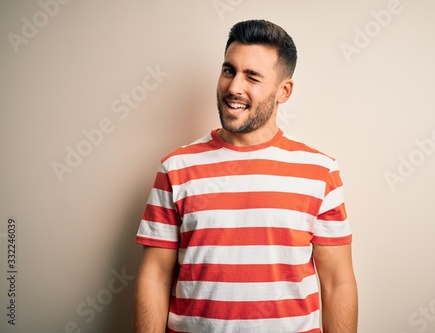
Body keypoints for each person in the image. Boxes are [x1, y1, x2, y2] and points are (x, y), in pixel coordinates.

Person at [133, 19, 358, 333]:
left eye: (252, 76)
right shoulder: (176, 168)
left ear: (284, 91)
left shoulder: (320, 172)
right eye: (229, 70)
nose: (234, 87)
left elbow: (337, 282)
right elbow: (154, 276)